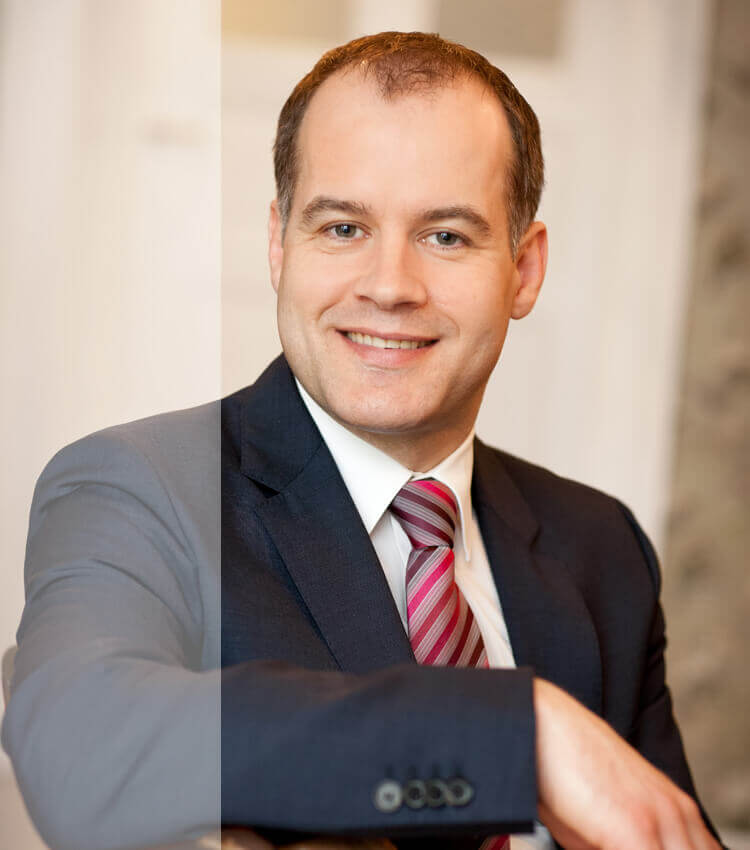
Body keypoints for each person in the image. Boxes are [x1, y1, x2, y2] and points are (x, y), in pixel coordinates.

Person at [2, 31, 725, 850]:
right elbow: (83, 751)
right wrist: (512, 736)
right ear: (279, 245)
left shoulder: (603, 549)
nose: (389, 286)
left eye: (445, 236)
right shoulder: (143, 489)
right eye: (343, 228)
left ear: (523, 271)